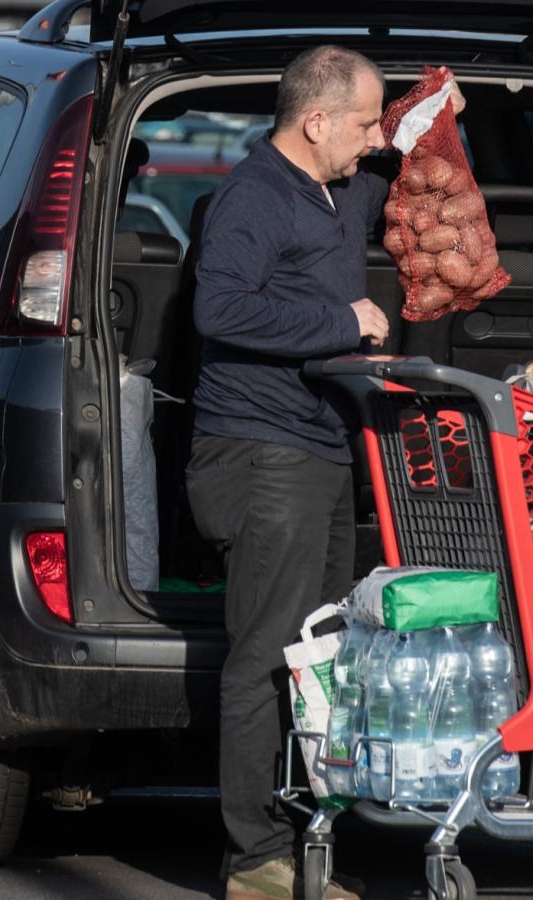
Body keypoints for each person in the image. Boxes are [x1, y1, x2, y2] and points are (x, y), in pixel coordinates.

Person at [183, 45, 394, 900]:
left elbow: (410, 173)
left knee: (321, 661)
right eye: (364, 123)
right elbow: (219, 307)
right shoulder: (254, 197)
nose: (374, 140)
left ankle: (305, 843)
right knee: (267, 658)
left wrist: (429, 127)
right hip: (260, 450)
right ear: (314, 123)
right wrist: (340, 316)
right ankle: (255, 863)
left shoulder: (341, 188)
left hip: (322, 447)